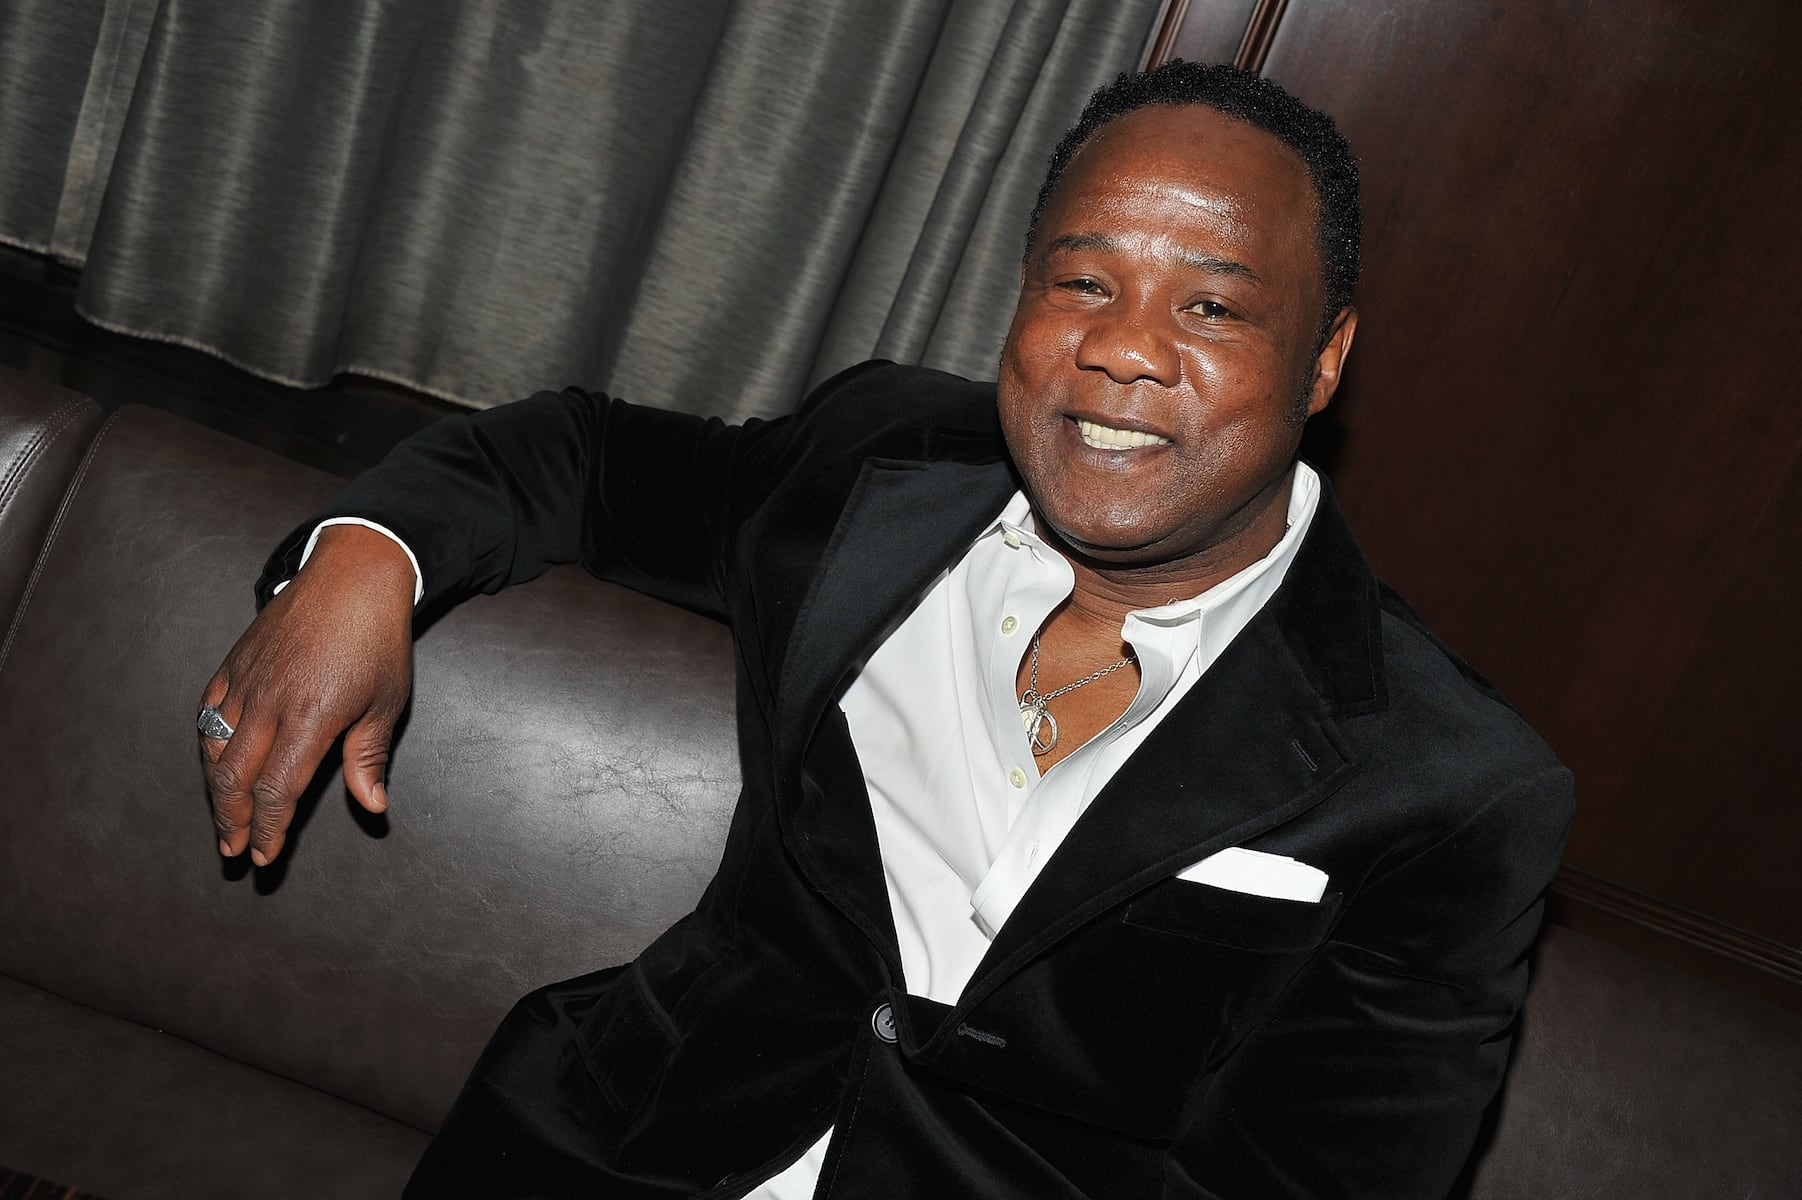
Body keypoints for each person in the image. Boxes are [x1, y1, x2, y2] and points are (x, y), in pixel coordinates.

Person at [197, 61, 1572, 1198]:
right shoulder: (874, 469)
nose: (1123, 348)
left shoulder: (1450, 789)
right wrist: (359, 564)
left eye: (1210, 306)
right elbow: (581, 454)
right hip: (614, 1149)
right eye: (1082, 283)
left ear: (1324, 358)